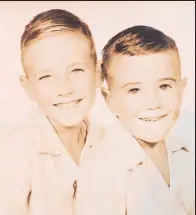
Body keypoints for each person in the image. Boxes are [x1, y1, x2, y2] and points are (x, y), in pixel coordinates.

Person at [0, 9, 143, 215]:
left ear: (97, 74)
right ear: (28, 86)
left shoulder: (115, 143)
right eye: (46, 76)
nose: (65, 88)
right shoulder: (15, 152)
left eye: (76, 71)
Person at [100, 25, 195, 215]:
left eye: (165, 86)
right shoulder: (102, 170)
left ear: (181, 89)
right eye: (134, 90)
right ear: (109, 99)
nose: (153, 103)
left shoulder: (186, 154)